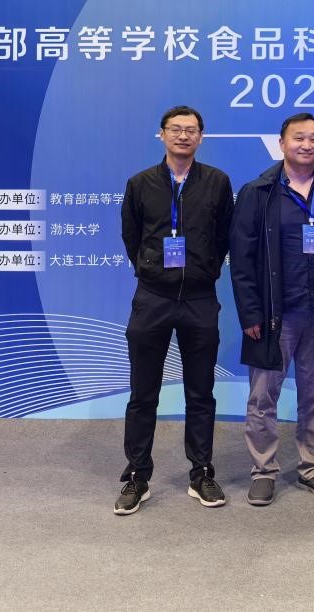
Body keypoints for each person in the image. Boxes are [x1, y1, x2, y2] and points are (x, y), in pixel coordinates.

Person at [230, 113, 314, 507]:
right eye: (298, 137)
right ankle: (263, 470)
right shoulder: (258, 191)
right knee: (263, 397)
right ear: (281, 143)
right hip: (273, 315)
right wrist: (249, 312)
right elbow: (241, 258)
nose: (307, 144)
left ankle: (312, 467)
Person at [115, 105, 234, 515]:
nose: (184, 136)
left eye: (191, 130)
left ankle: (201, 472)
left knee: (201, 393)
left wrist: (205, 269)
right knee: (142, 394)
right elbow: (131, 235)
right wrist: (151, 269)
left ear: (201, 137)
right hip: (153, 298)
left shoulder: (216, 182)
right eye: (176, 129)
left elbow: (224, 236)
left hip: (199, 299)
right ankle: (137, 475)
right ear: (162, 134)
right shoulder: (141, 183)